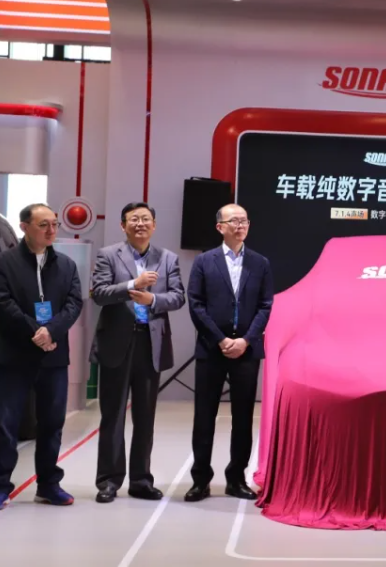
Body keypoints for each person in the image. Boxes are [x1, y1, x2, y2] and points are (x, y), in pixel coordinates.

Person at [0, 203, 83, 511]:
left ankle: (48, 484)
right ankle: (0, 486)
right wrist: (35, 332)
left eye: (54, 224)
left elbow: (74, 304)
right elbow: (2, 304)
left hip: (54, 357)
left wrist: (51, 331)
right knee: (7, 424)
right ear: (24, 227)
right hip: (16, 356)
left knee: (52, 423)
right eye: (43, 225)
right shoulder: (3, 263)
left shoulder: (66, 265)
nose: (51, 230)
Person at [90, 202, 185, 503]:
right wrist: (133, 284)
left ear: (154, 225)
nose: (140, 224)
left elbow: (178, 297)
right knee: (113, 416)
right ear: (123, 225)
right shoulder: (108, 255)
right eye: (134, 219)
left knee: (145, 417)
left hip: (150, 343)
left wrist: (152, 300)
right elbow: (99, 294)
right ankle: (108, 481)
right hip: (116, 343)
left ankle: (141, 480)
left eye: (146, 219)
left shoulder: (167, 258)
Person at [185, 204, 274, 502]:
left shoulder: (260, 263)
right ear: (219, 227)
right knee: (204, 417)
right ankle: (200, 480)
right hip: (212, 349)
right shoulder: (204, 261)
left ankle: (236, 478)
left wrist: (246, 340)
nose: (240, 225)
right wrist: (220, 339)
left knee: (243, 417)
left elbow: (265, 306)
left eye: (244, 220)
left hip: (246, 350)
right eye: (234, 220)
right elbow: (196, 304)